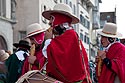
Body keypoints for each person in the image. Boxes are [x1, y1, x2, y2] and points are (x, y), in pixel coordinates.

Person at [42, 3, 91, 83]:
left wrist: (48, 40)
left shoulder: (70, 36)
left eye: (52, 18)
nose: (49, 22)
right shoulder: (62, 37)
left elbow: (59, 58)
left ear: (59, 19)